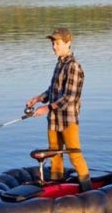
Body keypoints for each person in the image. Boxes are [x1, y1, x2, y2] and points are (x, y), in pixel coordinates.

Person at [26, 28, 92, 192]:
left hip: (67, 120)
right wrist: (38, 98)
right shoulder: (59, 65)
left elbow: (69, 97)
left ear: (68, 43)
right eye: (52, 43)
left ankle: (88, 191)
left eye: (57, 43)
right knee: (54, 154)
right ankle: (57, 189)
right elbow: (53, 91)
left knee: (74, 154)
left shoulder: (74, 67)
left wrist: (47, 108)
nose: (54, 47)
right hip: (54, 120)